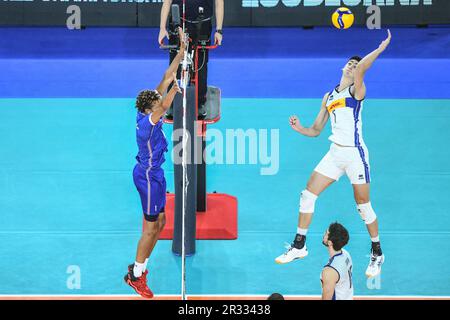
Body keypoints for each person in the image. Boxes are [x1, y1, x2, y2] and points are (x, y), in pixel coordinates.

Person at [275, 30, 392, 278]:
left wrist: (379, 50)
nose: (353, 67)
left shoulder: (356, 92)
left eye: (356, 65)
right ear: (343, 67)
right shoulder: (329, 96)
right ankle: (299, 245)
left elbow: (361, 71)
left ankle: (377, 252)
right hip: (334, 153)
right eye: (350, 63)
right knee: (307, 194)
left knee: (363, 206)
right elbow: (316, 130)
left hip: (355, 155)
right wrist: (299, 128)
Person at [124, 28, 186, 299]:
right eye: (157, 102)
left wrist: (181, 54)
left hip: (156, 175)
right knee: (150, 227)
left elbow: (164, 79)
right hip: (147, 177)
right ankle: (135, 275)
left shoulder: (147, 109)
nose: (160, 100)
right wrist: (178, 85)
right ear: (150, 110)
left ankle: (140, 267)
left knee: (160, 222)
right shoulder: (147, 124)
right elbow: (166, 101)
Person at [159, 0, 224, 119]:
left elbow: (219, 2)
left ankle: (199, 103)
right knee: (175, 63)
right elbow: (167, 2)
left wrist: (219, 31)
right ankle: (172, 102)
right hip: (178, 24)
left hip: (202, 25)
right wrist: (162, 28)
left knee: (201, 64)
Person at [321, 222, 353, 300]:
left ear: (330, 242)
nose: (324, 233)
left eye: (326, 233)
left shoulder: (329, 271)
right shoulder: (346, 254)